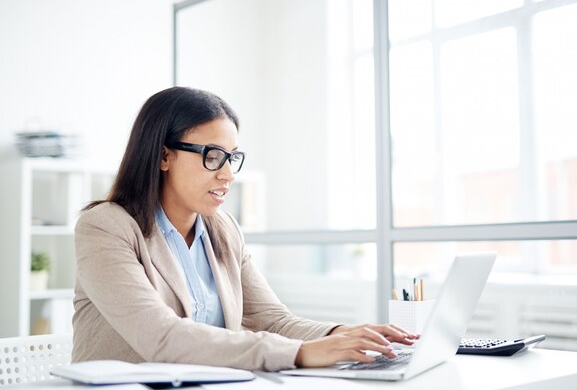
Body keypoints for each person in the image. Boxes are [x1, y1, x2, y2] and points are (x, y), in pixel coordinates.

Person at [73, 86, 416, 371]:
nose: (227, 174)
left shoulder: (223, 228)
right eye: (212, 156)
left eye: (232, 157)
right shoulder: (105, 226)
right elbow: (161, 337)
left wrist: (343, 335)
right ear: (164, 156)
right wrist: (298, 353)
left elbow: (273, 321)